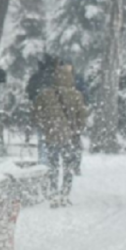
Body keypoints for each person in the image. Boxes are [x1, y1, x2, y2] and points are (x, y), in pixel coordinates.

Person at [33, 63, 88, 207]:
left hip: (51, 136)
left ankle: (53, 194)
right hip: (69, 136)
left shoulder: (45, 94)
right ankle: (64, 194)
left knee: (53, 166)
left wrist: (46, 127)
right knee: (68, 166)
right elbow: (82, 117)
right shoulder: (76, 95)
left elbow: (36, 114)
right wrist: (76, 130)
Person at [26, 55, 60, 164]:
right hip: (56, 114)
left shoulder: (36, 77)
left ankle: (43, 161)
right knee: (55, 139)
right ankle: (53, 160)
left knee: (42, 138)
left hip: (41, 113)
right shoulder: (57, 77)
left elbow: (30, 94)